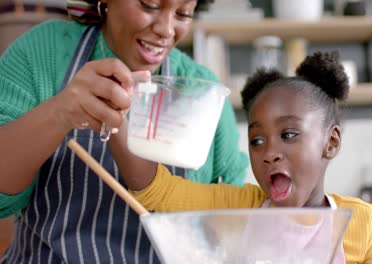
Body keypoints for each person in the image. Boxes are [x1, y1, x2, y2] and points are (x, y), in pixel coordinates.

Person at [123, 52, 372, 263]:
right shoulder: (237, 210)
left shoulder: (362, 223)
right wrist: (118, 116)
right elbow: (154, 189)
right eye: (256, 140)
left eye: (288, 135)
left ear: (331, 142)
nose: (269, 153)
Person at [0, 0, 248, 263]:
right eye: (150, 5)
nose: (166, 30)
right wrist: (59, 113)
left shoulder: (205, 94)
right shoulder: (43, 52)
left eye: (183, 14)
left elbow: (231, 230)